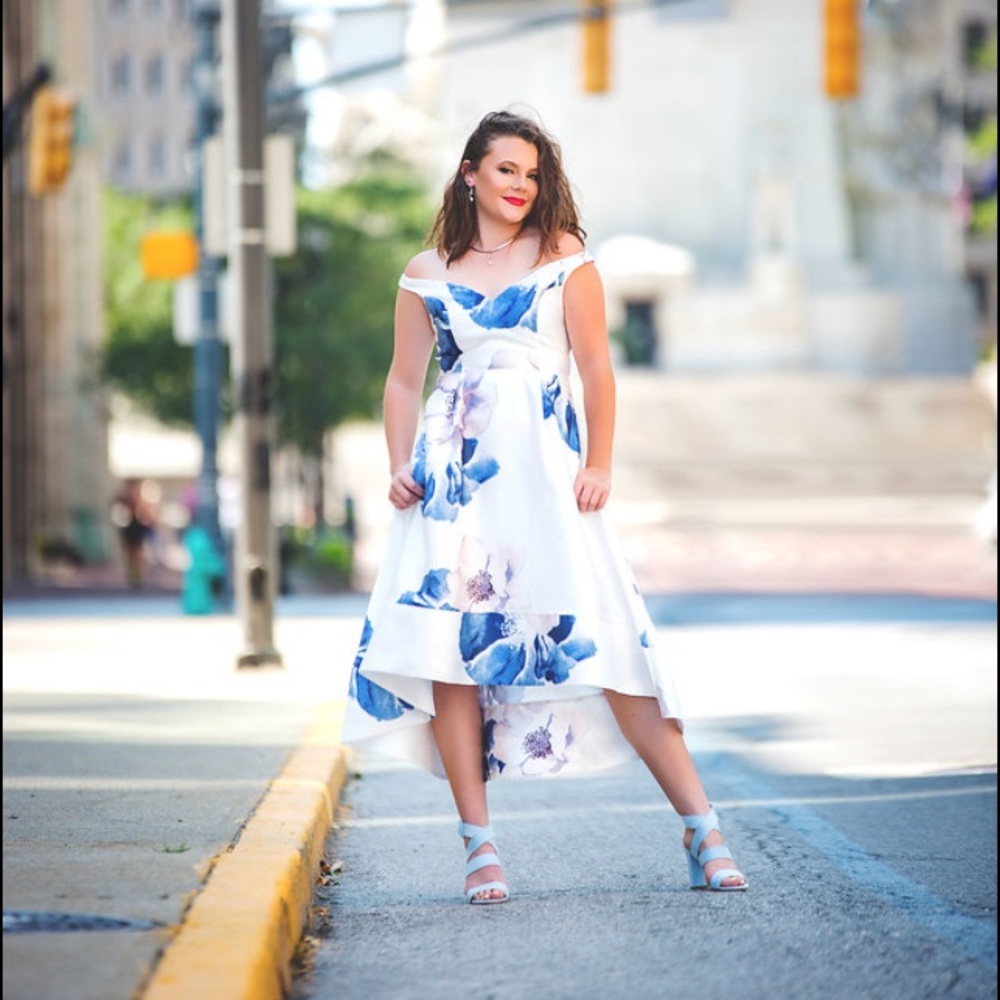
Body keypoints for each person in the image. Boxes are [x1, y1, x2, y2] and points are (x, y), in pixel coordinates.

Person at [342, 109, 747, 904]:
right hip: (456, 483)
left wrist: (599, 461)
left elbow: (596, 367)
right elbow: (402, 381)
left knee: (611, 643)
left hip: (552, 475)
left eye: (531, 174)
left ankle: (704, 828)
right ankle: (479, 846)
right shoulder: (425, 270)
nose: (521, 186)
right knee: (450, 653)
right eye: (505, 171)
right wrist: (398, 463)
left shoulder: (566, 256)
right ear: (469, 173)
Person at [111, 478, 153, 588]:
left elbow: (145, 516)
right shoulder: (123, 500)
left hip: (137, 530)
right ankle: (131, 576)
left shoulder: (140, 500)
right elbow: (118, 514)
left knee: (137, 554)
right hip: (128, 530)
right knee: (129, 554)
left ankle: (137, 577)